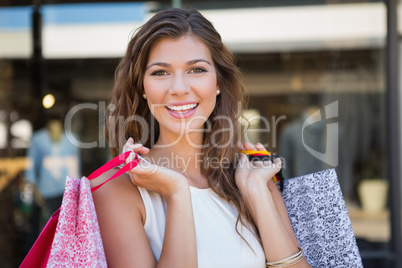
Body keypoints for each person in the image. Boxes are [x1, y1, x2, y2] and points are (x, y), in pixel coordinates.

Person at [91, 8, 311, 268]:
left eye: (196, 69)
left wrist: (258, 194)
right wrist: (177, 194)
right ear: (143, 88)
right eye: (161, 72)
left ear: (218, 82)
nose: (179, 89)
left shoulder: (252, 175)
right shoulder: (116, 189)